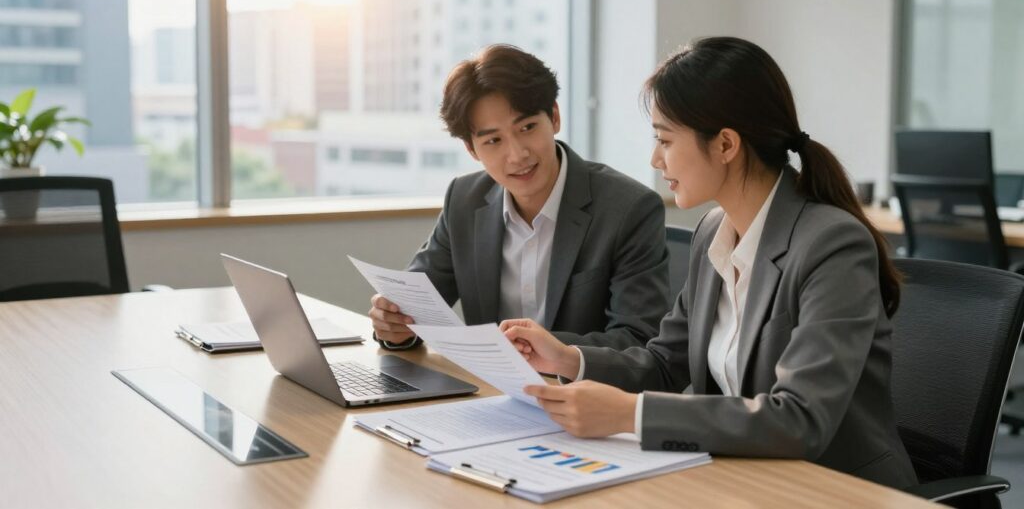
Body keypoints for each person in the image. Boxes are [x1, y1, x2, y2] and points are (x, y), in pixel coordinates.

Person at [500, 37, 918, 489]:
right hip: (743, 479)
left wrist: (630, 414)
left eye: (664, 139)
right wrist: (568, 359)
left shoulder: (832, 245)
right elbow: (665, 364)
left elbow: (801, 419)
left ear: (725, 145)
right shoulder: (713, 232)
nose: (655, 159)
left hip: (836, 491)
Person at [369, 44, 670, 351]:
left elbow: (638, 340)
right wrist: (394, 325)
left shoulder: (628, 208)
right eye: (494, 140)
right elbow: (414, 307)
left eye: (527, 127)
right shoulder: (464, 200)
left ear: (554, 117)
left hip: (581, 392)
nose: (517, 155)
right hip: (492, 392)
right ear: (472, 150)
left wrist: (543, 349)